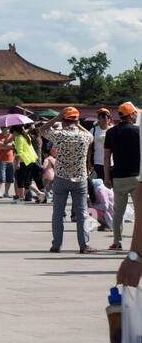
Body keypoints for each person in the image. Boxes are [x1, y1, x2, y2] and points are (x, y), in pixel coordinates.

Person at [41, 108, 96, 254]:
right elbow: (91, 136)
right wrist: (78, 125)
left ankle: (57, 245)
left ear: (63, 121)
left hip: (61, 178)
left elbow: (42, 129)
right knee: (82, 213)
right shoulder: (84, 136)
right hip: (80, 179)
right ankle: (84, 245)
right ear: (77, 121)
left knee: (58, 213)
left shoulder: (59, 135)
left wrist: (56, 118)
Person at [104, 102, 141, 251]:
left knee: (118, 212)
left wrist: (107, 177)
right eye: (135, 113)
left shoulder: (111, 133)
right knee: (140, 213)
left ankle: (117, 242)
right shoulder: (138, 132)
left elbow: (106, 157)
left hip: (118, 177)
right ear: (131, 114)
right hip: (137, 178)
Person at [0, 126, 16, 199]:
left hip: (10, 159)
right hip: (2, 160)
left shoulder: (11, 136)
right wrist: (9, 146)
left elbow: (13, 146)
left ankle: (6, 192)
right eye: (5, 130)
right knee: (1, 177)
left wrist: (4, 145)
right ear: (2, 129)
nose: (7, 131)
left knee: (9, 178)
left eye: (8, 129)